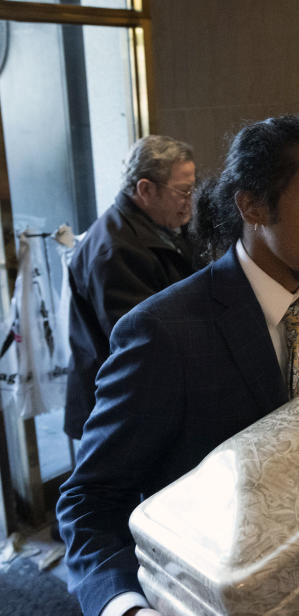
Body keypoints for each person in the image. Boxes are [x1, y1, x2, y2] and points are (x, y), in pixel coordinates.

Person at [57, 116, 299, 616]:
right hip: (209, 611)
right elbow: (89, 500)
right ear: (252, 206)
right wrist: (126, 615)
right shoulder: (164, 333)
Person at [64, 135, 198, 439]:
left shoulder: (162, 226)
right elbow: (142, 342)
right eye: (183, 190)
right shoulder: (113, 251)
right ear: (145, 190)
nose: (190, 199)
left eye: (192, 187)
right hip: (120, 407)